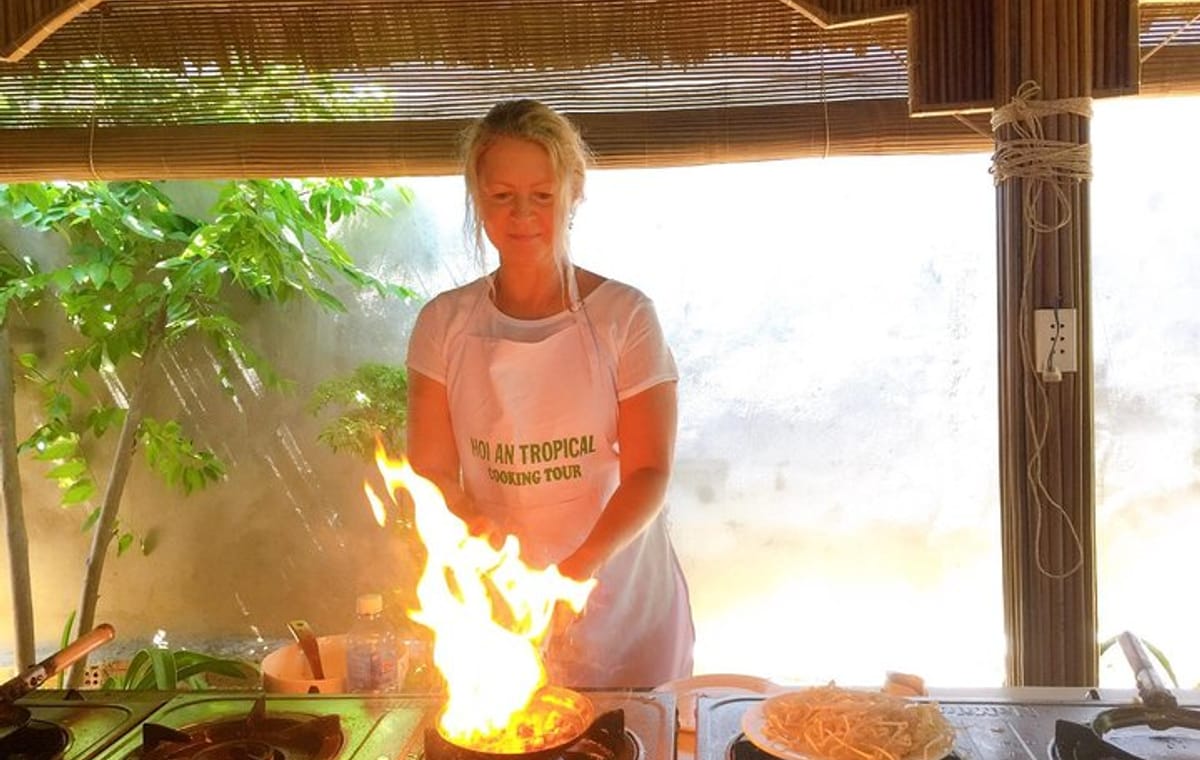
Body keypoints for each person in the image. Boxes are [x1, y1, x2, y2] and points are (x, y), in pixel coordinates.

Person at [405, 99, 694, 688]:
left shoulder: (625, 316)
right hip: (505, 605)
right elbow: (431, 468)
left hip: (623, 602)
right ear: (477, 198)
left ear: (574, 191)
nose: (523, 215)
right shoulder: (444, 324)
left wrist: (572, 577)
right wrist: (476, 540)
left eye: (542, 194)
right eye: (501, 196)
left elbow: (648, 472)